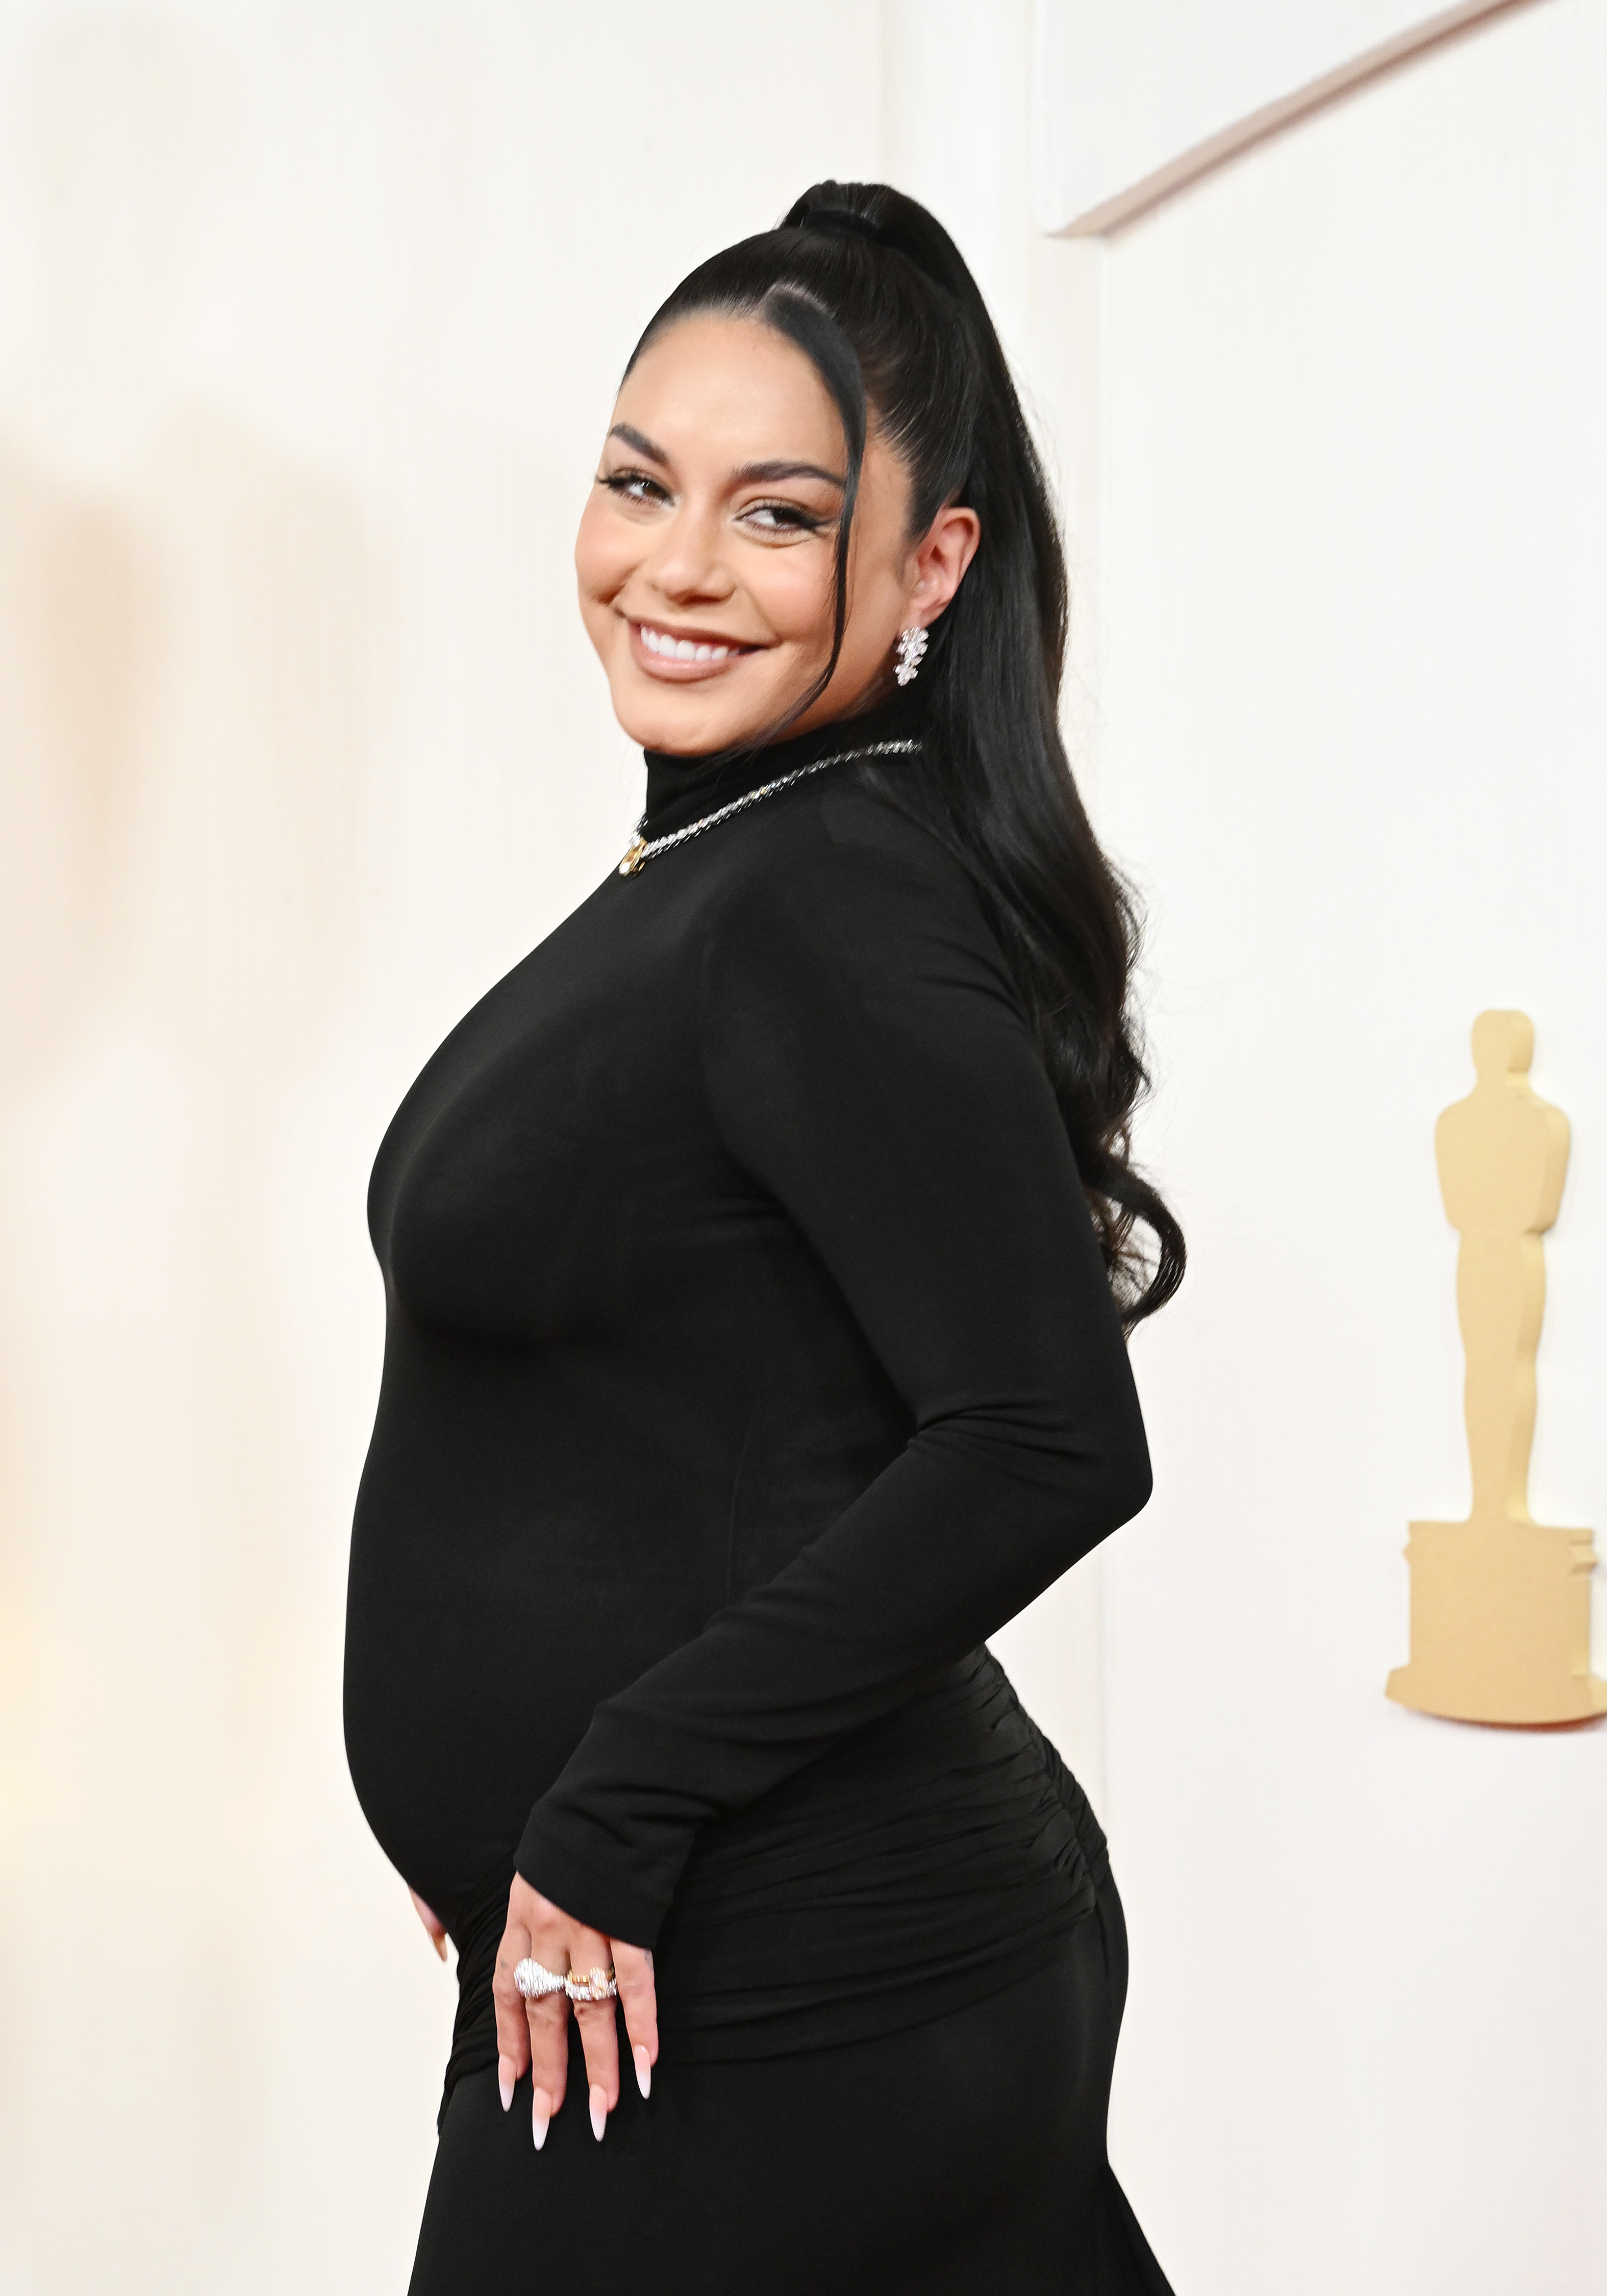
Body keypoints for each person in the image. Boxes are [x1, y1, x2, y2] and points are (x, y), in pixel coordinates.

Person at [344, 179, 1185, 2294]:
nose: (678, 567)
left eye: (779, 515)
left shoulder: (826, 899)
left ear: (929, 564)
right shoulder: (719, 870)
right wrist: (494, 1791)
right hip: (686, 1953)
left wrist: (607, 1792)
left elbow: (1042, 1433)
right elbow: (672, 1407)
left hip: (783, 1972)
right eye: (640, 482)